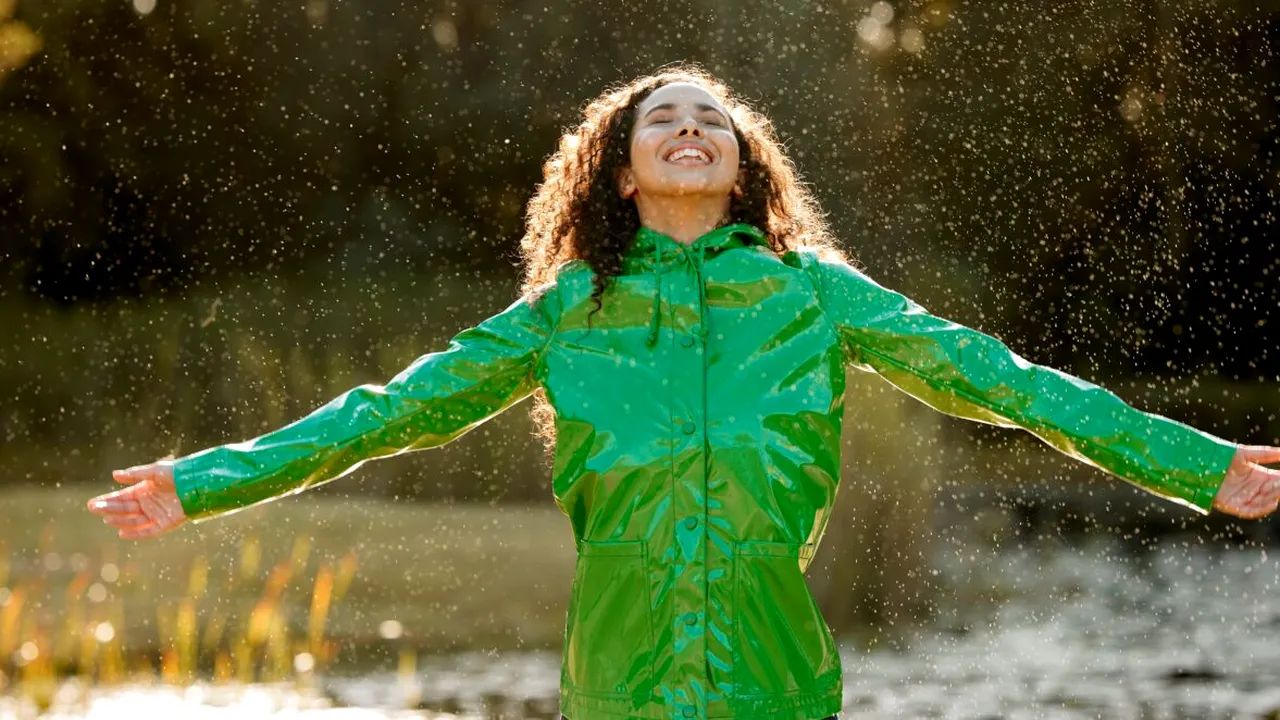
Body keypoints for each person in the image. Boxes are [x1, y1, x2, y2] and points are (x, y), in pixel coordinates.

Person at [88, 64, 1280, 720]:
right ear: (617, 165)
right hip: (619, 677)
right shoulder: (565, 310)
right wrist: (202, 482)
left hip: (775, 673)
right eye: (664, 117)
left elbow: (1005, 385)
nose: (691, 126)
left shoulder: (814, 293)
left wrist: (1194, 464)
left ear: (747, 162)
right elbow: (390, 410)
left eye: (714, 117)